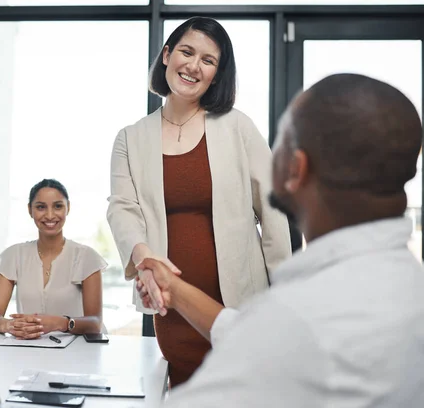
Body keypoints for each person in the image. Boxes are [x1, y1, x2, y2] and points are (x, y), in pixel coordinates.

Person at [137, 73, 424, 407]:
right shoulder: (404, 282)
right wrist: (175, 289)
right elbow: (257, 338)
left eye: (282, 141)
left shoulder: (299, 317)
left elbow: (281, 339)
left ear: (296, 168)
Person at [107, 16, 291, 386]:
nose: (193, 66)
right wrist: (145, 259)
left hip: (243, 305)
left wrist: (286, 294)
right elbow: (123, 208)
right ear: (166, 55)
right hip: (172, 310)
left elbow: (274, 212)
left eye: (208, 60)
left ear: (217, 74)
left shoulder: (238, 127)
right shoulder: (130, 138)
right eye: (187, 52)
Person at [0, 179, 107, 338]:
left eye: (58, 206)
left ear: (68, 208)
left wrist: (60, 323)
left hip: (77, 352)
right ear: (30, 210)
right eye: (40, 207)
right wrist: (7, 324)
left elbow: (95, 323)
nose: (50, 215)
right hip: (28, 349)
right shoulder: (13, 256)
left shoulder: (86, 257)